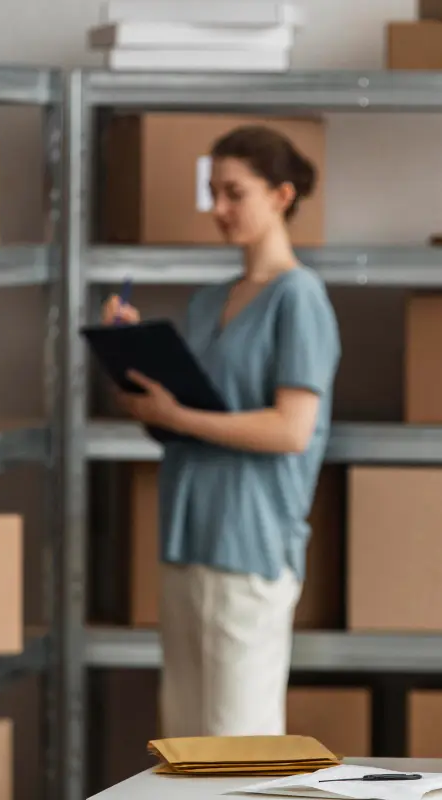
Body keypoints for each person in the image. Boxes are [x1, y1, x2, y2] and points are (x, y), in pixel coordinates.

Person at [101, 126, 341, 737]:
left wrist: (177, 416)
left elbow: (291, 430)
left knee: (240, 744)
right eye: (212, 193)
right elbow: (185, 427)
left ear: (282, 195)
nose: (220, 209)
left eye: (235, 192)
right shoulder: (207, 302)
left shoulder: (299, 298)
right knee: (183, 743)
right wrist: (126, 364)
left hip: (250, 546)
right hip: (186, 539)